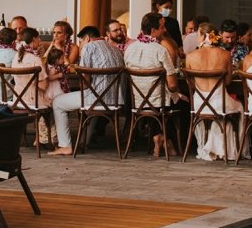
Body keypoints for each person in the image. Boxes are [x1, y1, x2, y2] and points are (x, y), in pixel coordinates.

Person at [50, 26, 126, 156]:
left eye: (81, 41)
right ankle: (84, 142)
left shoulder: (88, 48)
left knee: (57, 102)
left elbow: (85, 82)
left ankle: (65, 146)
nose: (80, 44)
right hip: (115, 100)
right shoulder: (116, 50)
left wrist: (81, 85)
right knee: (93, 103)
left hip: (96, 98)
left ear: (87, 38)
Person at [124, 11, 182, 157]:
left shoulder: (129, 49)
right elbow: (173, 85)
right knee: (183, 104)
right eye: (162, 27)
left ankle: (159, 136)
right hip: (159, 103)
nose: (165, 30)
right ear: (153, 31)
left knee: (160, 100)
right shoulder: (160, 51)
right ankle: (167, 140)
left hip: (137, 102)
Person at [184, 18, 241, 161]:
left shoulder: (190, 57)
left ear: (203, 36)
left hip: (198, 105)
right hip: (219, 103)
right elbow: (227, 82)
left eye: (198, 35)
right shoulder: (225, 55)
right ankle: (229, 149)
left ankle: (207, 146)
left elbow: (190, 85)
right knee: (240, 107)